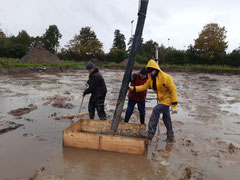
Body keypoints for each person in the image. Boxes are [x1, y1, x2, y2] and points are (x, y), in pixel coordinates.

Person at [130, 59, 178, 142]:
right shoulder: (151, 79)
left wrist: (174, 105)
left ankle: (150, 133)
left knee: (156, 110)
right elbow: (143, 87)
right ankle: (170, 136)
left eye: (151, 71)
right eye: (148, 72)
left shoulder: (166, 77)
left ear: (156, 69)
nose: (150, 73)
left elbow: (173, 90)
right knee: (166, 118)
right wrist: (132, 88)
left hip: (168, 100)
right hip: (161, 100)